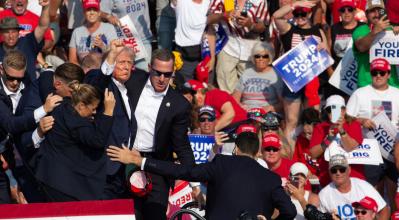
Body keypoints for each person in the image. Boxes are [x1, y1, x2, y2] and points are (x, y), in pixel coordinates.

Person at [107, 132, 297, 220]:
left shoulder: (222, 163)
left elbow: (183, 171)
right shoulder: (270, 178)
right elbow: (289, 211)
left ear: (236, 149)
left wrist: (142, 161)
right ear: (257, 153)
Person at [101, 43, 195, 219]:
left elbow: (181, 145)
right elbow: (104, 81)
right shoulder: (133, 80)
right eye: (157, 72)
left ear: (173, 72)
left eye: (167, 75)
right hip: (124, 160)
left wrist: (196, 182)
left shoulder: (179, 104)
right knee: (126, 216)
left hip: (156, 166)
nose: (161, 78)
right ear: (149, 68)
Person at [35, 84, 116, 202]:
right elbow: (97, 140)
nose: (94, 112)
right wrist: (108, 111)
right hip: (63, 185)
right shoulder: (75, 121)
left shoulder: (63, 107)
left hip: (52, 178)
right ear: (82, 105)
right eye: (93, 108)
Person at [0, 51, 59, 203]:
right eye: (10, 77)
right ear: (1, 70)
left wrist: (47, 66)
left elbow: (45, 76)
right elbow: (10, 124)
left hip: (24, 149)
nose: (14, 83)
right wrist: (44, 110)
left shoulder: (27, 81)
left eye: (18, 78)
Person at [85, 43, 138, 199]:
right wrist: (110, 57)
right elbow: (95, 86)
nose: (126, 67)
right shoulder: (103, 82)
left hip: (124, 171)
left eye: (129, 63)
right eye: (121, 62)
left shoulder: (127, 90)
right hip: (103, 170)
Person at [273, 0, 328, 147]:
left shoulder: (318, 31)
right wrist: (294, 5)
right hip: (293, 82)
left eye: (303, 13)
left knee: (312, 121)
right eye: (297, 14)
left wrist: (323, 48)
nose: (299, 17)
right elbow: (276, 16)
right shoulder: (289, 29)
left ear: (309, 13)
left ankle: (312, 154)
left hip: (313, 81)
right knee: (292, 121)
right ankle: (287, 155)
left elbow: (328, 55)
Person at [347, 58, 399, 206]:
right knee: (372, 197)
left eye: (382, 72)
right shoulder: (360, 93)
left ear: (389, 74)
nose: (378, 75)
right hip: (370, 151)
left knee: (394, 194)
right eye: (374, 72)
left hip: (393, 150)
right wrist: (361, 121)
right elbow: (345, 118)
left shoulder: (398, 93)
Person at [207, 0, 269, 93]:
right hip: (227, 46)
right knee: (226, 90)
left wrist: (250, 24)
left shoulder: (259, 1)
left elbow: (263, 26)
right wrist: (222, 15)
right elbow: (208, 19)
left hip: (250, 49)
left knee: (251, 90)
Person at [310, 95, 364, 187]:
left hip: (354, 179)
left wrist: (341, 130)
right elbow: (313, 154)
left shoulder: (354, 124)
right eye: (329, 110)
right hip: (328, 179)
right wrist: (328, 139)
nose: (332, 113)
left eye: (336, 109)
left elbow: (350, 147)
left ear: (344, 110)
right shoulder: (320, 127)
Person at [318, 154, 390, 219]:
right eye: (334, 170)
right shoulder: (324, 194)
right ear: (329, 172)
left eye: (342, 169)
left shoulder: (363, 186)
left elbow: (384, 209)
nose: (338, 173)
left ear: (349, 170)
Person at [0, 0, 50, 85]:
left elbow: (43, 26)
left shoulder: (28, 43)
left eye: (14, 32)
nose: (11, 36)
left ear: (19, 32)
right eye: (7, 32)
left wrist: (45, 7)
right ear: (1, 33)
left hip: (28, 92)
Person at [352, 0, 399, 88]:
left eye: (380, 10)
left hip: (392, 85)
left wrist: (398, 35)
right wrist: (375, 31)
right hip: (367, 86)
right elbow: (361, 47)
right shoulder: (360, 30)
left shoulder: (391, 30)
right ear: (366, 14)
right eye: (373, 11)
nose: (377, 14)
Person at [232, 41, 283, 113]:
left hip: (267, 112)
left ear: (270, 58)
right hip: (247, 111)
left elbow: (283, 102)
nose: (261, 59)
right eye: (257, 56)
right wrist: (240, 106)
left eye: (265, 56)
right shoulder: (247, 72)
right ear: (254, 58)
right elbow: (235, 96)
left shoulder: (276, 75)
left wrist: (271, 108)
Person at [100, 0, 152, 71]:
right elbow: (99, 12)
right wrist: (108, 17)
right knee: (122, 73)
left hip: (143, 40)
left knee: (143, 73)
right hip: (122, 42)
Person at [68, 0, 117, 65]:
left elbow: (115, 53)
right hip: (82, 71)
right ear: (84, 13)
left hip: (103, 71)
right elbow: (72, 60)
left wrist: (102, 47)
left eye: (95, 10)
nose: (91, 13)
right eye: (88, 10)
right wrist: (83, 71)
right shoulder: (77, 32)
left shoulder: (109, 28)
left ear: (99, 13)